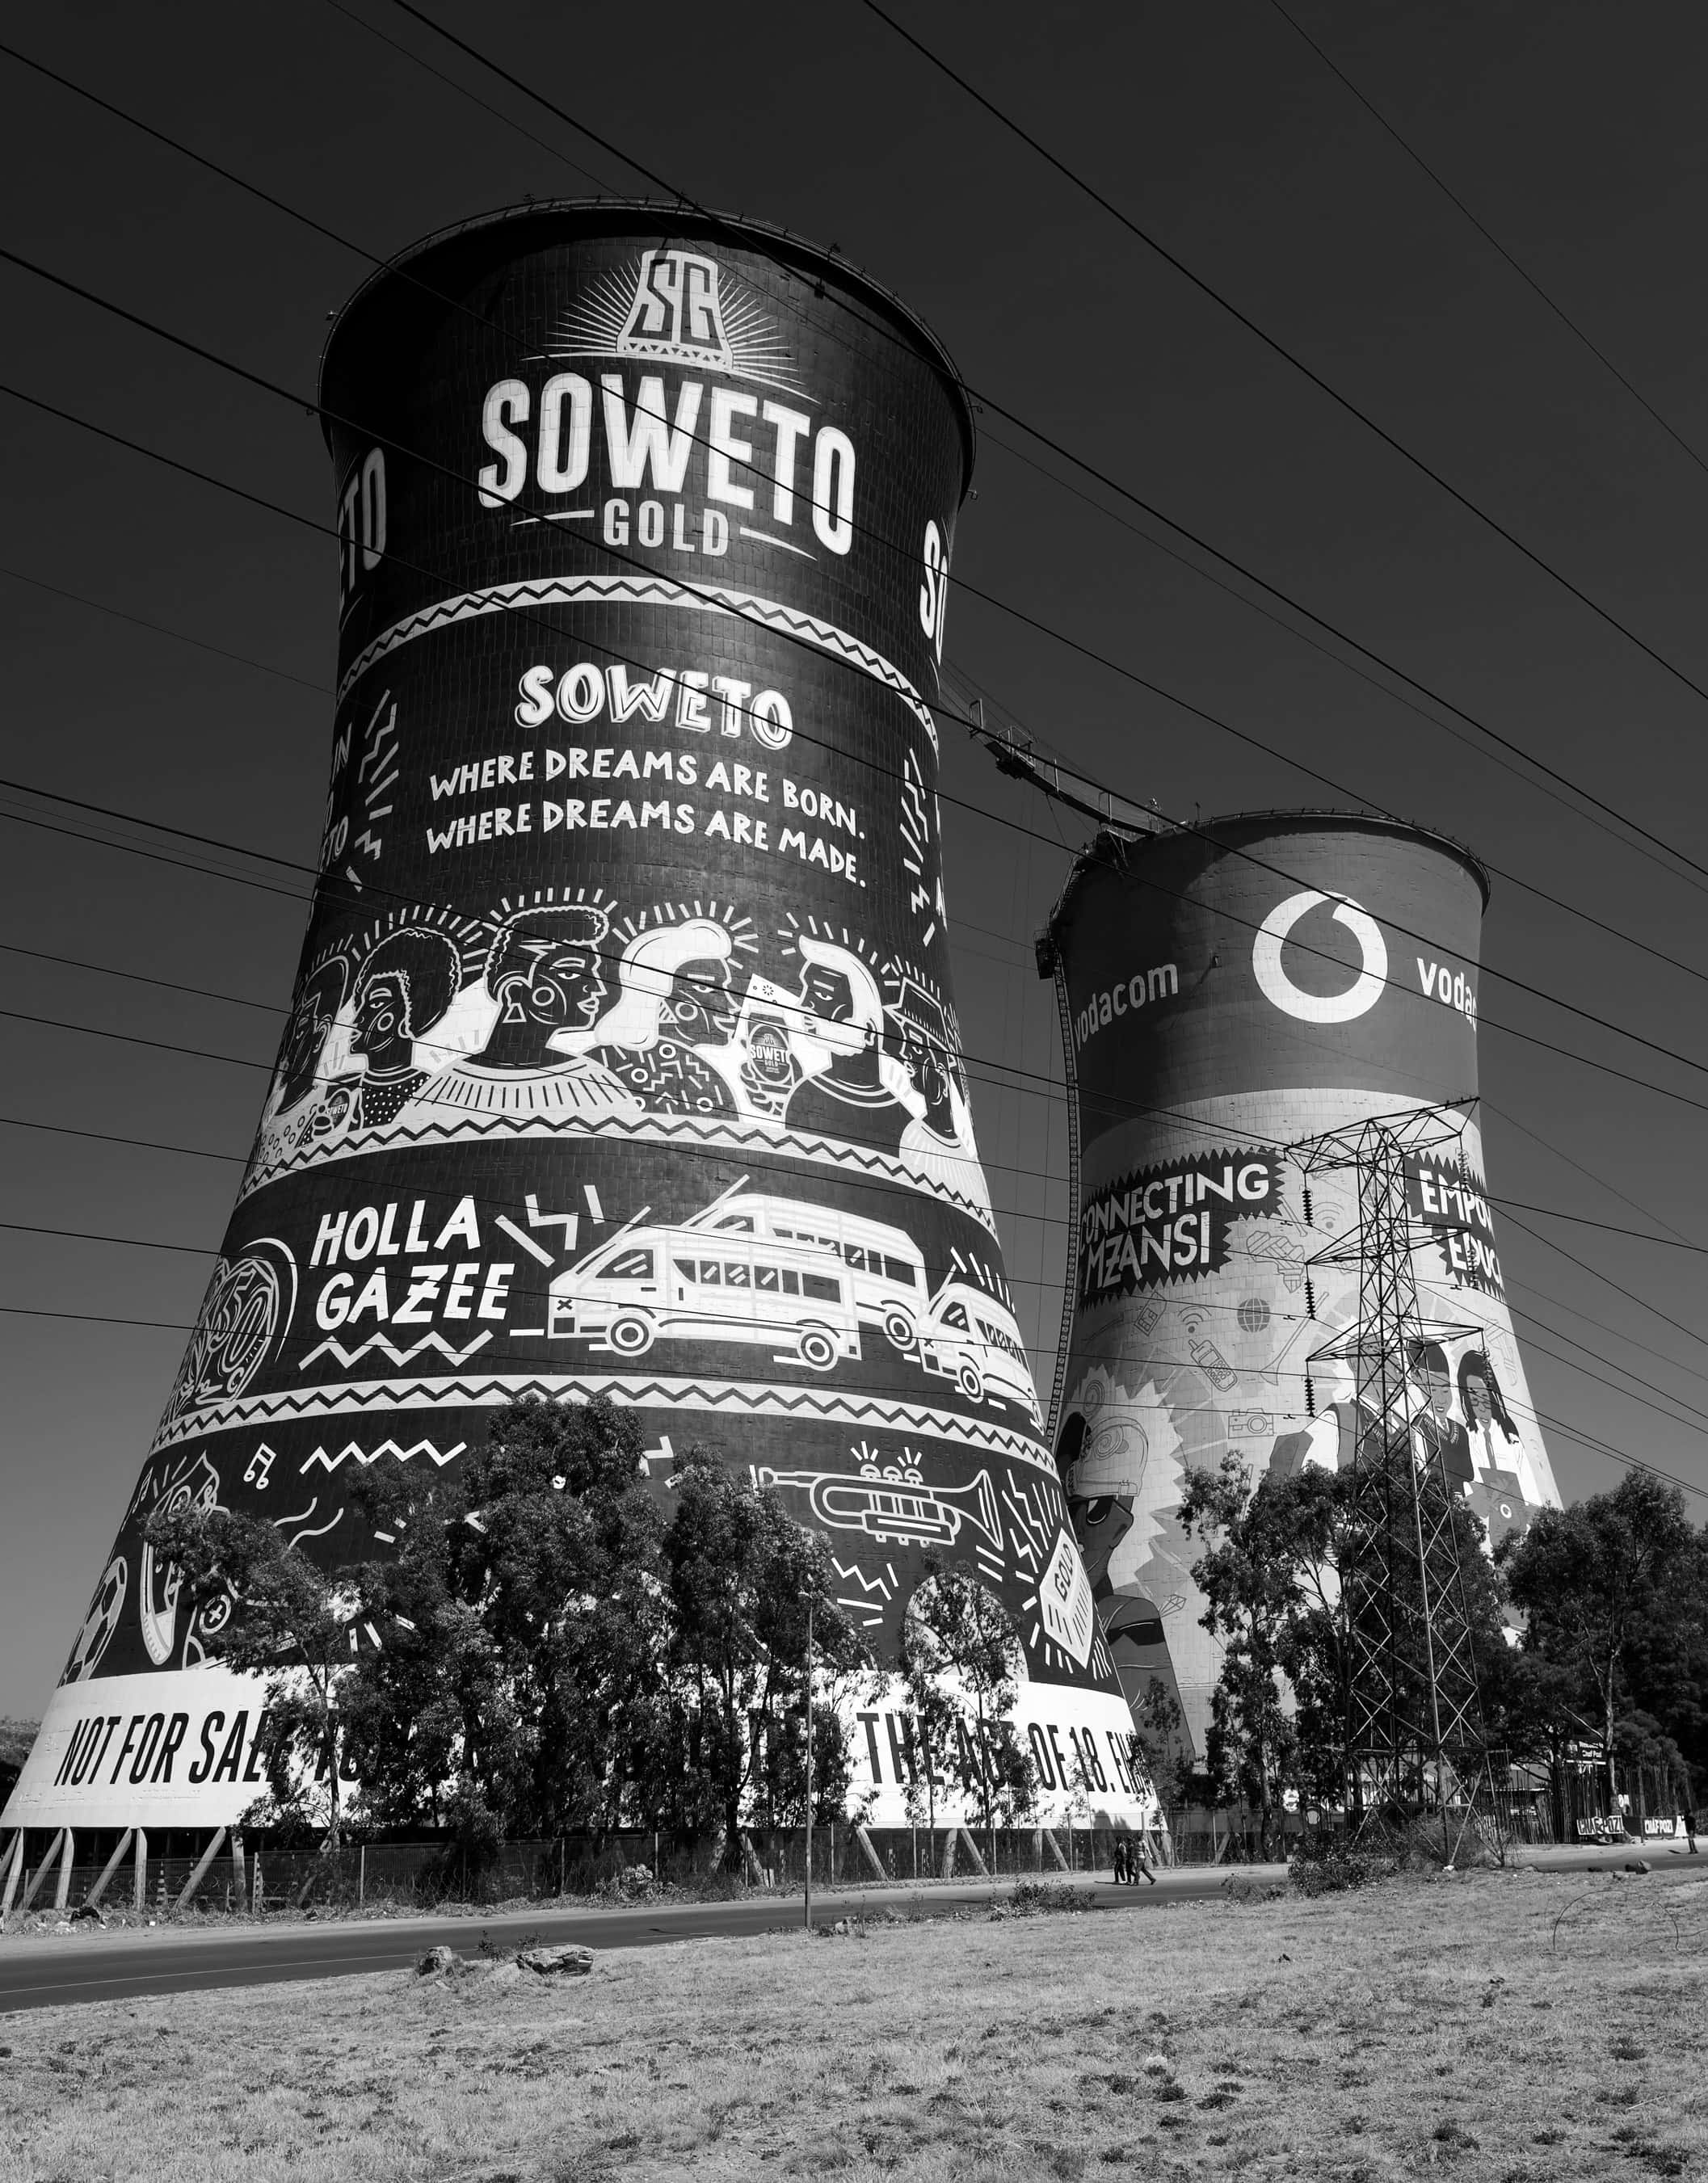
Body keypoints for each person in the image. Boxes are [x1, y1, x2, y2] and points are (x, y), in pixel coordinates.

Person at [784, 938, 920, 1155]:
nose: (803, 1004)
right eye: (806, 991)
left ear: (867, 1030)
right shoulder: (804, 1096)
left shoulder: (904, 1124)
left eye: (823, 994)